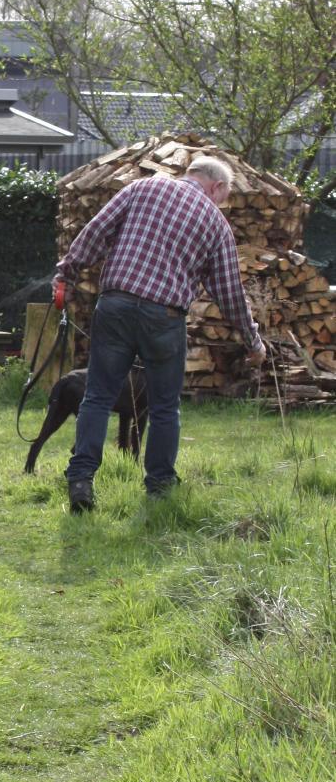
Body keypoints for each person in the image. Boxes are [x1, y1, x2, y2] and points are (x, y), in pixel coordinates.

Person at [53, 155, 266, 513]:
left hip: (115, 305)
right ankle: (159, 487)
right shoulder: (215, 222)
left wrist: (67, 276)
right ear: (216, 186)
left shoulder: (141, 187)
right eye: (223, 197)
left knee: (98, 397)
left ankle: (81, 479)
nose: (220, 204)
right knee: (165, 406)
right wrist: (252, 340)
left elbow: (94, 232)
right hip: (164, 317)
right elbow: (230, 293)